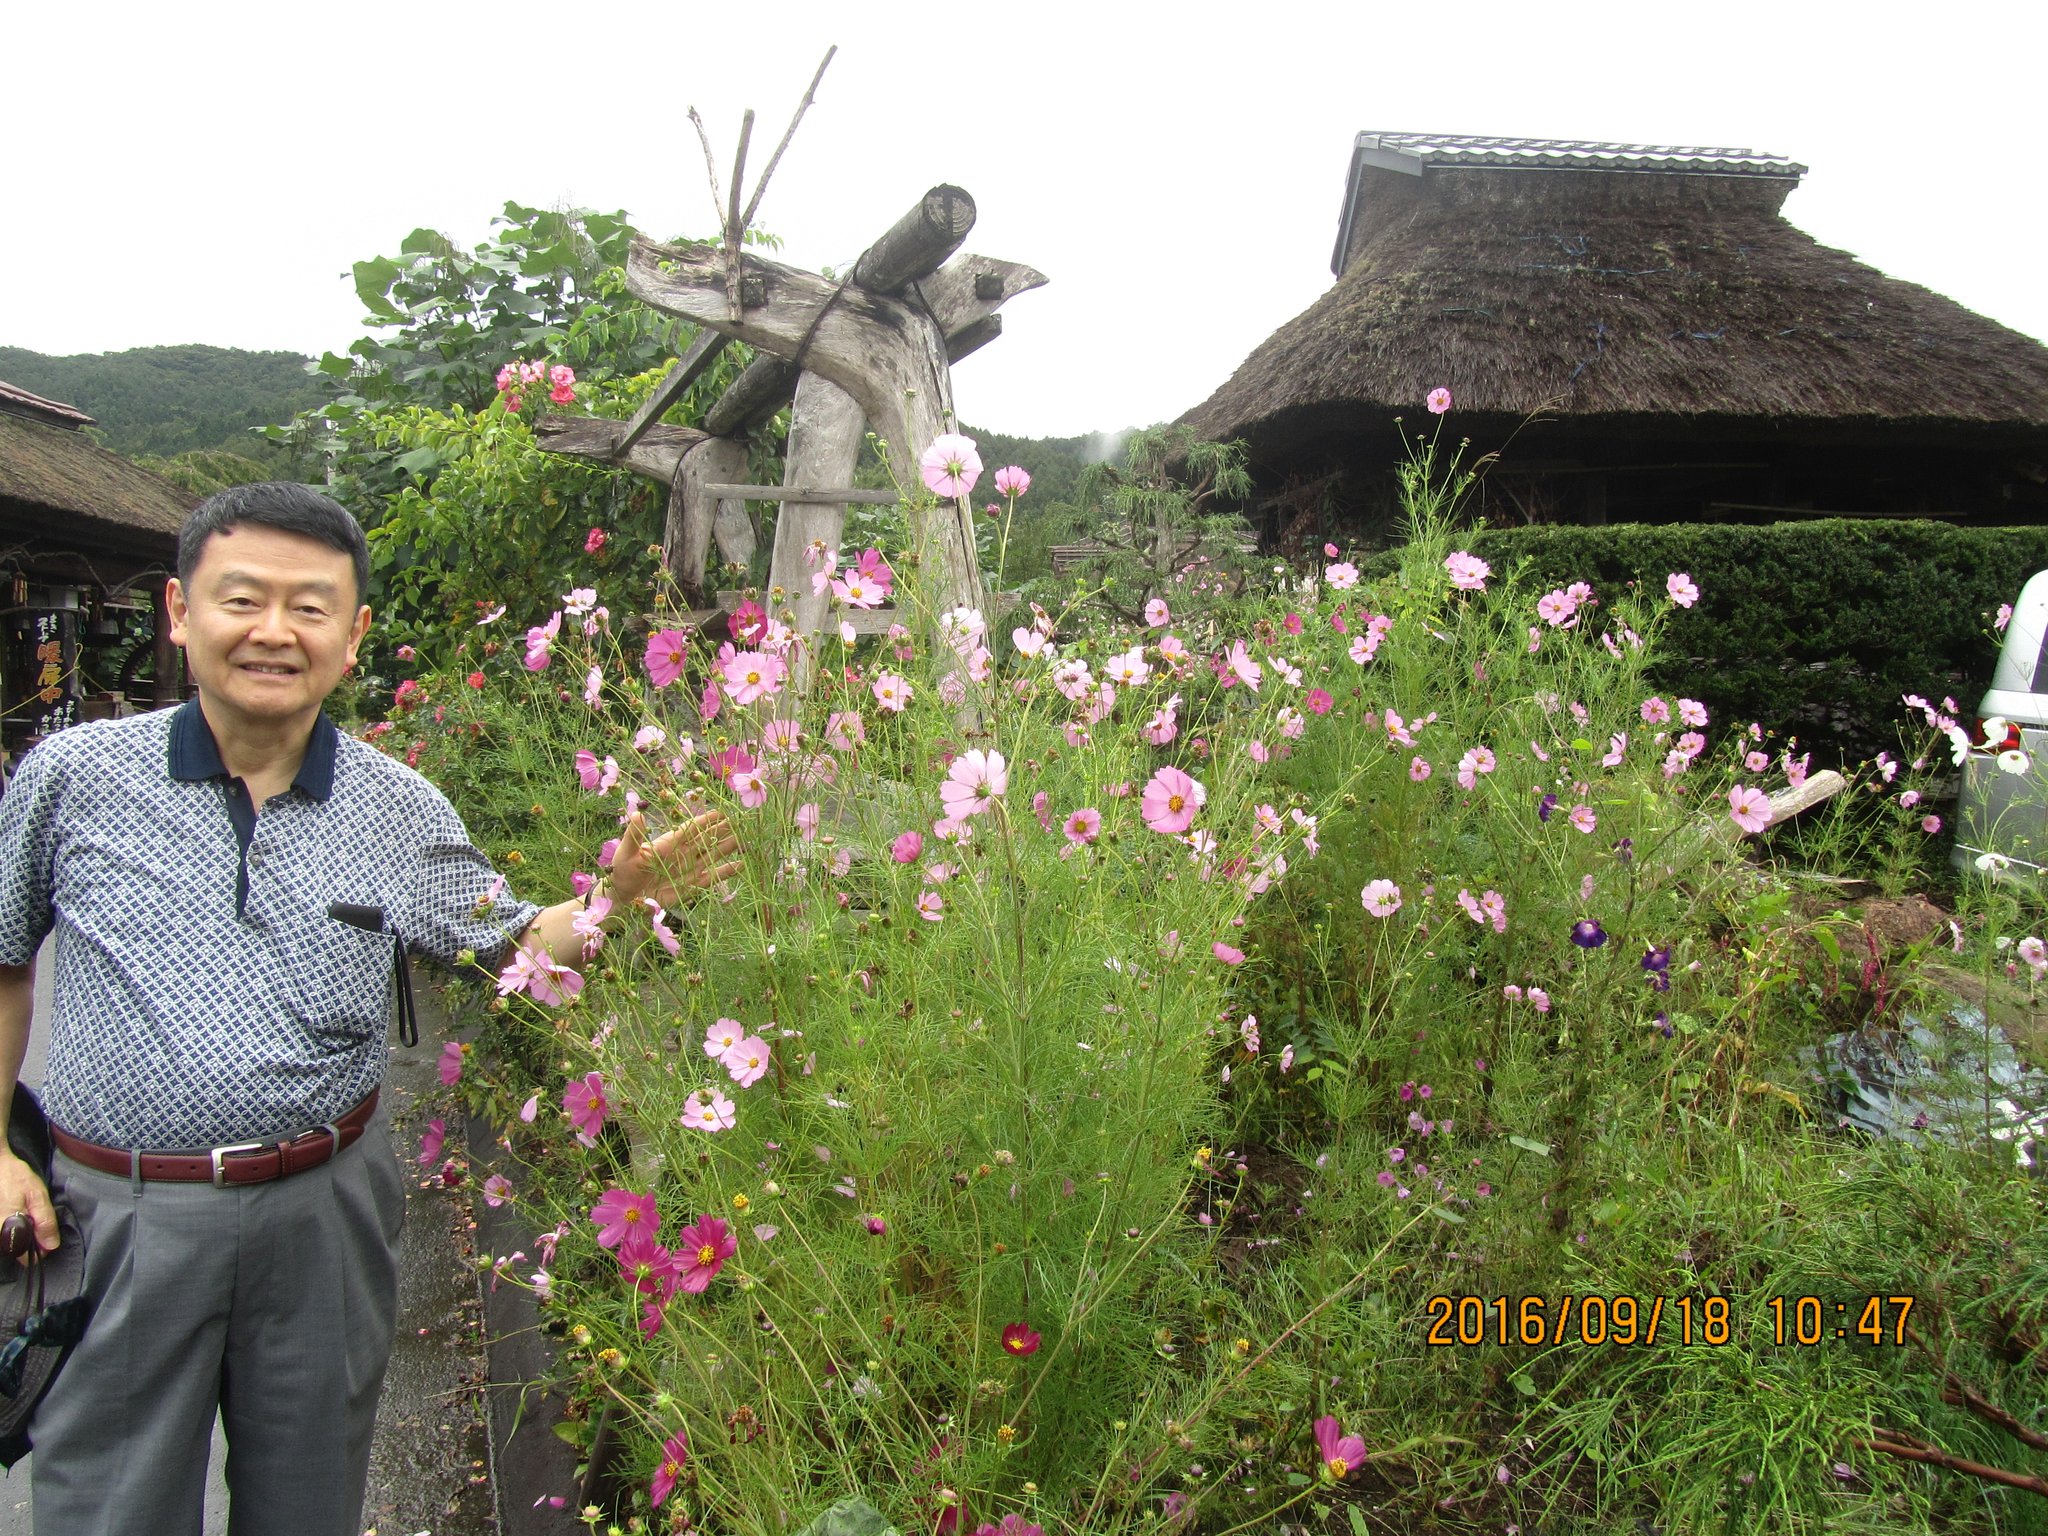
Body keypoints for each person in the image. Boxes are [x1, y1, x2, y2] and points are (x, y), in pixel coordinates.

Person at [0, 482, 737, 1535]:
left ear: (353, 637)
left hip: (322, 1213)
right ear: (178, 610)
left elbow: (508, 943)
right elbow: (3, 955)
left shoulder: (395, 804)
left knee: (307, 1505)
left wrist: (611, 903)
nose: (272, 632)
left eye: (309, 608)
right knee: (109, 1509)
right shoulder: (75, 776)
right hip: (119, 1213)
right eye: (241, 599)